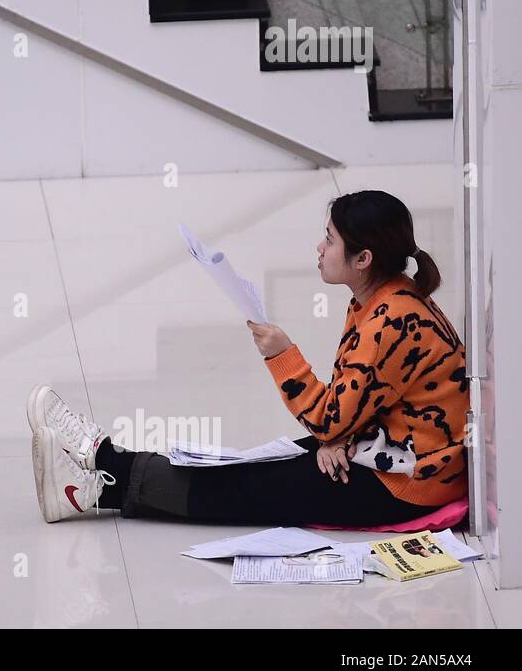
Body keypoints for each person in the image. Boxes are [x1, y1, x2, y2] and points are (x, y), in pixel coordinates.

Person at [29, 190, 469, 527]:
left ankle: (99, 479)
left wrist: (283, 357)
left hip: (406, 482)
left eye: (330, 240)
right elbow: (356, 405)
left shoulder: (390, 319)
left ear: (363, 259)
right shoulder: (386, 300)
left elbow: (329, 416)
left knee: (250, 488)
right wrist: (337, 438)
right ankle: (105, 464)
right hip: (389, 451)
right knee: (257, 467)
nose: (319, 247)